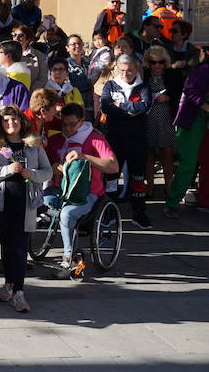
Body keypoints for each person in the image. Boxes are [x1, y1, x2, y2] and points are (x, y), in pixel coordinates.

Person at [0, 105, 51, 313]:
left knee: (21, 248)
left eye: (14, 120)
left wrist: (32, 173)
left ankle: (19, 291)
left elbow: (47, 171)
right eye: (5, 121)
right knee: (7, 247)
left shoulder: (33, 145)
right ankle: (9, 285)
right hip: (3, 204)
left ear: (21, 122)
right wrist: (7, 169)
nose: (10, 124)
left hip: (25, 205)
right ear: (0, 124)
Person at [44, 104, 119, 275]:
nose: (68, 129)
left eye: (72, 124)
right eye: (64, 124)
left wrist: (84, 156)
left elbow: (113, 166)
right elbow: (43, 164)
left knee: (67, 213)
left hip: (89, 193)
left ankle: (70, 258)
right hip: (59, 190)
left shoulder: (94, 139)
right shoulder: (56, 139)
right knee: (40, 201)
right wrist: (53, 167)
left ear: (82, 122)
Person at [101, 54, 152, 229]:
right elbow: (106, 106)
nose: (126, 73)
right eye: (122, 70)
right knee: (111, 177)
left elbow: (144, 106)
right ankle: (108, 212)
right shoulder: (110, 85)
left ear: (137, 69)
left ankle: (139, 213)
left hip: (137, 140)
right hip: (115, 138)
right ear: (116, 68)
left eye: (130, 70)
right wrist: (130, 110)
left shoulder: (143, 86)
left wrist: (120, 106)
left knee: (138, 177)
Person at [140, 46, 184, 201]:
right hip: (148, 117)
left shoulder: (173, 75)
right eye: (153, 62)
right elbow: (137, 93)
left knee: (167, 153)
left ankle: (168, 186)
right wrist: (150, 96)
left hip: (166, 117)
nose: (157, 65)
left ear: (165, 62)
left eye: (160, 62)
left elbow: (180, 93)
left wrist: (169, 97)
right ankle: (150, 186)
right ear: (148, 62)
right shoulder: (144, 75)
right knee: (149, 153)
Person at [166, 58, 209, 215]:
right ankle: (172, 203)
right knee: (188, 164)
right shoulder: (203, 70)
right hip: (193, 121)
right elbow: (190, 92)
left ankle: (204, 201)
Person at [12, 24, 47, 90]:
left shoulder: (39, 56)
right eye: (14, 35)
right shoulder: (7, 54)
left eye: (20, 36)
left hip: (31, 94)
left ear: (28, 39)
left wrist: (28, 92)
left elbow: (43, 79)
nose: (16, 38)